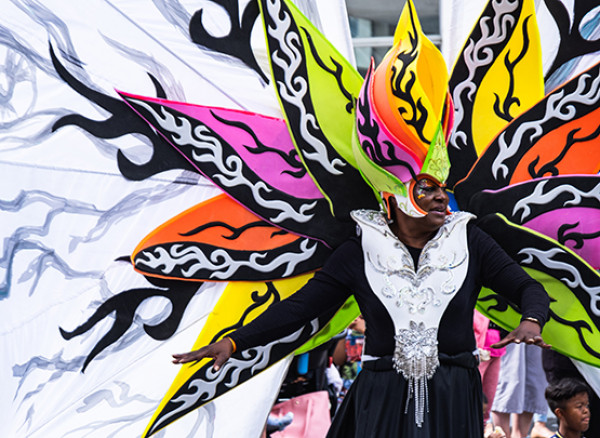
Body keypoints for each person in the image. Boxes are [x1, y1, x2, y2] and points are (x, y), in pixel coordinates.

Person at [172, 173, 551, 438]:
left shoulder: (471, 241)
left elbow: (527, 288)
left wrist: (532, 320)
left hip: (453, 392)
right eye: (427, 189)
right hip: (382, 392)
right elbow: (301, 308)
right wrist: (235, 342)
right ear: (395, 197)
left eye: (443, 190)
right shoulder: (359, 252)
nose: (440, 196)